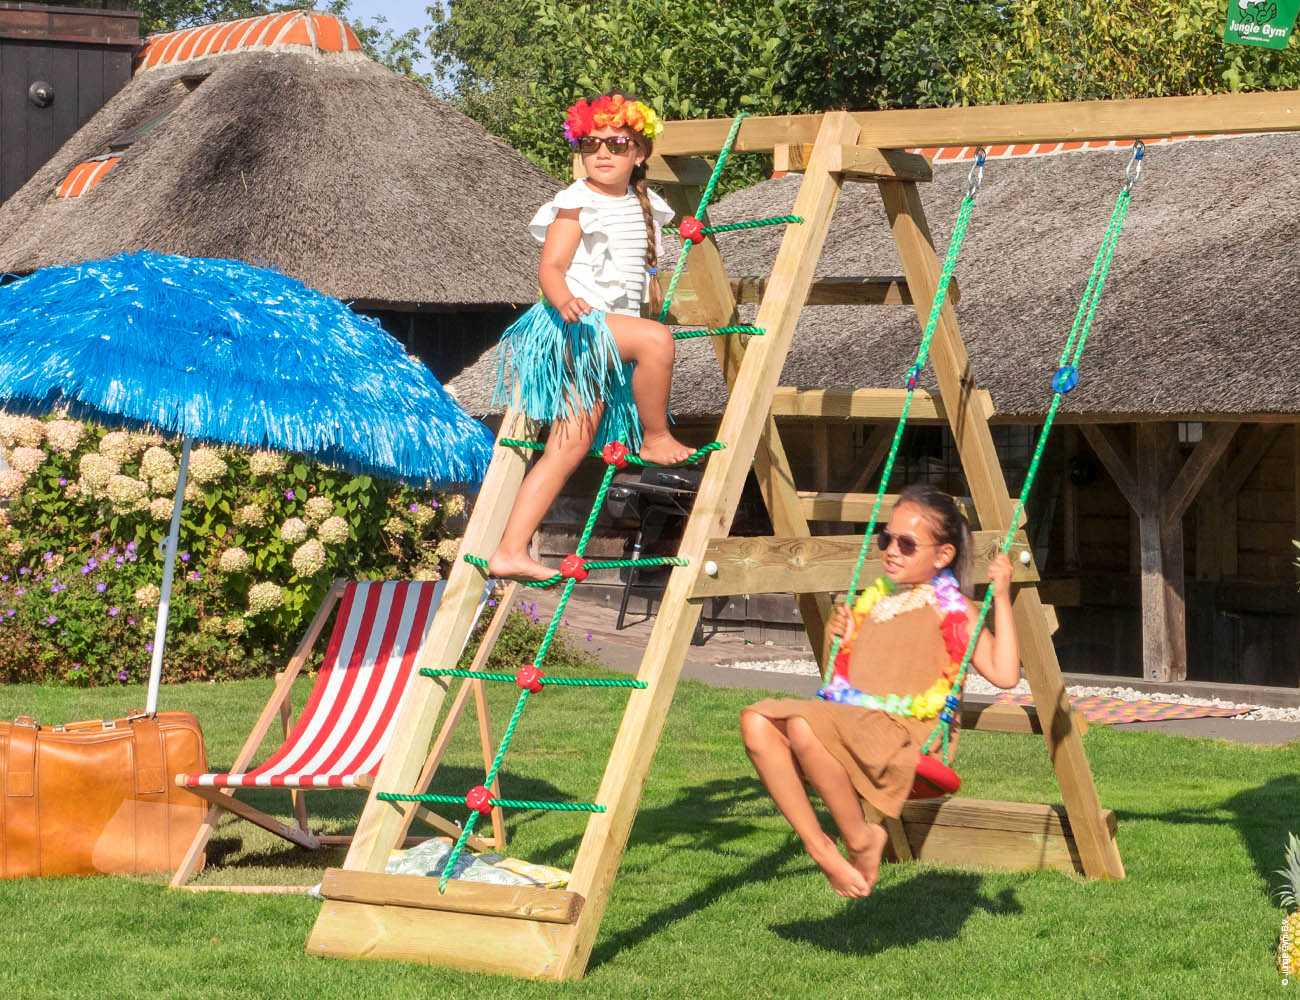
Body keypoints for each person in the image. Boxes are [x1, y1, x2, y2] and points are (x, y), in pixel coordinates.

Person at [740, 484, 1022, 898]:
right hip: (855, 721)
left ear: (943, 555)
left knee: (803, 726)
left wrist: (1000, 597)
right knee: (756, 722)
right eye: (885, 539)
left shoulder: (955, 609)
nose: (891, 550)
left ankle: (859, 839)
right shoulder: (871, 602)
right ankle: (821, 848)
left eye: (907, 544)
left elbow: (1005, 673)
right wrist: (840, 636)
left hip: (904, 737)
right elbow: (847, 681)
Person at [489, 92, 694, 582]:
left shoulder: (642, 205)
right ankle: (656, 437)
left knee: (569, 446)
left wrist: (650, 302)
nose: (602, 153)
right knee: (657, 342)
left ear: (639, 153)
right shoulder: (575, 203)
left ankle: (510, 549)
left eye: (617, 144)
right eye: (591, 144)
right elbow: (551, 267)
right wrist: (563, 301)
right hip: (574, 326)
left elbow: (636, 275)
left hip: (599, 333)